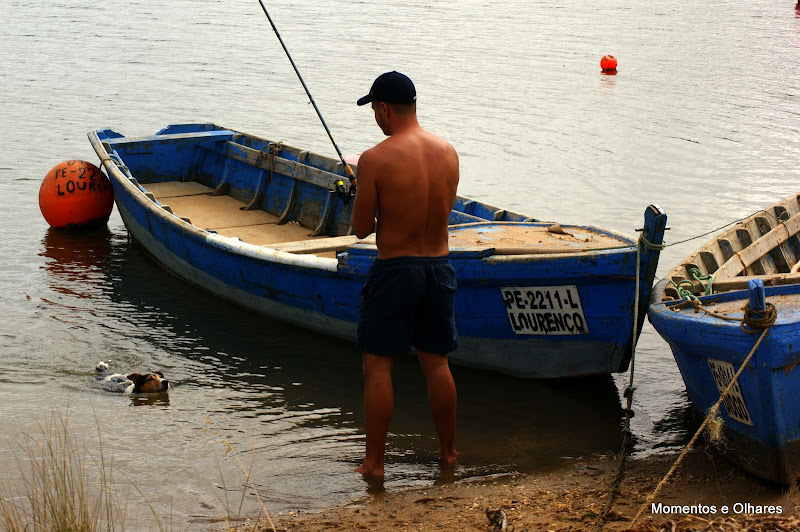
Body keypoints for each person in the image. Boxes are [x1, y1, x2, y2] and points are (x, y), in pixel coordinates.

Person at [350, 71, 460, 477]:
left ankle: (374, 464)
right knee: (437, 364)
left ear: (382, 109)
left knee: (378, 367)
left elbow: (362, 228)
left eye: (374, 111)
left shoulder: (375, 159)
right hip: (439, 266)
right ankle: (448, 454)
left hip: (395, 269)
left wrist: (363, 190)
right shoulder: (448, 151)